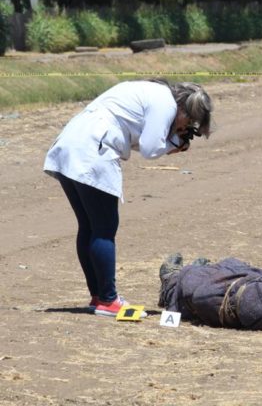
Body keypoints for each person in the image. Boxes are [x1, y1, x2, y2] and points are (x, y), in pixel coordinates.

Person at [43, 79, 213, 317]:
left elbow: (135, 138)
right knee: (104, 229)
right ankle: (109, 300)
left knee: (90, 227)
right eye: (190, 122)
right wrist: (173, 144)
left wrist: (170, 138)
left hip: (71, 144)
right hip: (93, 150)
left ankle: (99, 297)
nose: (186, 127)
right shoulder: (166, 106)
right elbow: (150, 149)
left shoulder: (151, 93)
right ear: (185, 110)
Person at [158, 253, 262, 330]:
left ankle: (172, 279)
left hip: (200, 291)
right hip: (239, 288)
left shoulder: (207, 296)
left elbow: (197, 294)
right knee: (227, 265)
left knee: (188, 281)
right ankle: (198, 272)